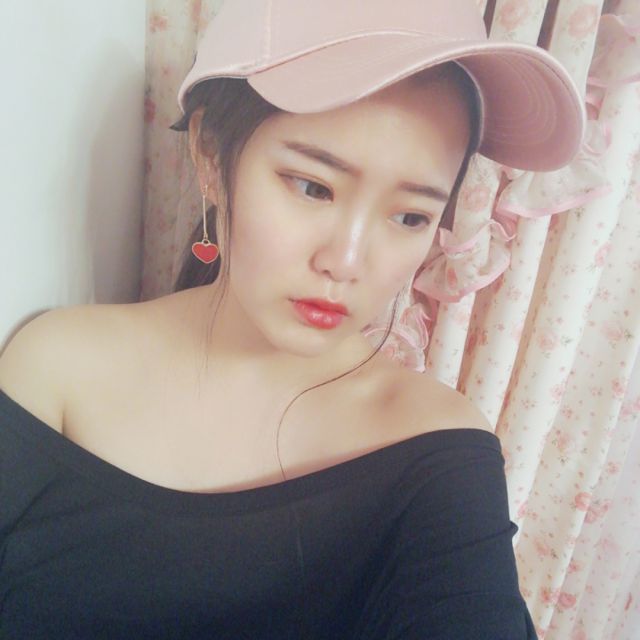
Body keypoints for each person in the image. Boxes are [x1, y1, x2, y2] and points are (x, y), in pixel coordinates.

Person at [0, 0, 585, 637]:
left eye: (410, 216)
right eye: (313, 187)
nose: (347, 262)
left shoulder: (436, 451)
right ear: (209, 155)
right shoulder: (59, 370)